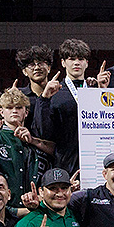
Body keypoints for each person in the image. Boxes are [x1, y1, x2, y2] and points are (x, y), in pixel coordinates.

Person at [0, 86, 52, 207]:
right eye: (9, 107)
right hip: (1, 208)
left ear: (26, 112)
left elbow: (58, 152)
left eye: (18, 107)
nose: (14, 111)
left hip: (32, 207)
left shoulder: (33, 138)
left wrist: (33, 141)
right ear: (1, 112)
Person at [33, 38, 92, 174]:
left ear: (87, 63)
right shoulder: (53, 93)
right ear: (63, 63)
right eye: (71, 59)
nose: (77, 63)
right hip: (65, 163)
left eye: (81, 59)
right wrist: (44, 99)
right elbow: (43, 132)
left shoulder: (94, 91)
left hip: (94, 160)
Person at [15, 45, 54, 129]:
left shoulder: (59, 94)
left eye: (41, 63)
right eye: (31, 65)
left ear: (49, 68)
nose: (37, 68)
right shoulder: (19, 96)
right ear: (24, 72)